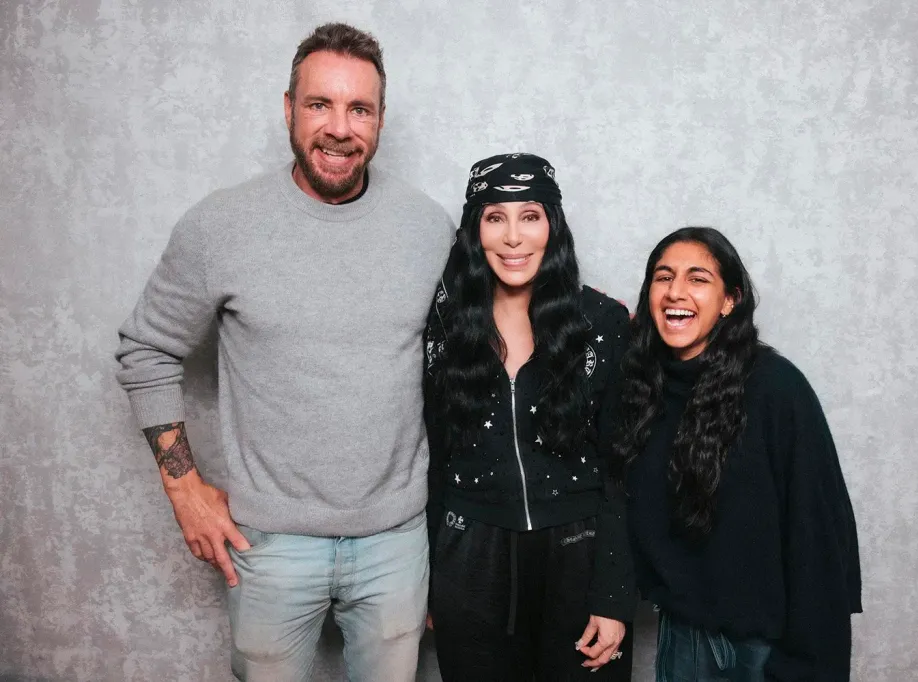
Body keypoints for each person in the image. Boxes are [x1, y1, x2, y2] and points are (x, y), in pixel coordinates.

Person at [115, 23, 454, 682]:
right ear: (287, 108)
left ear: (381, 120)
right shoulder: (222, 225)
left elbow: (470, 369)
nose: (339, 127)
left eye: (359, 108)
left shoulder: (428, 229)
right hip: (268, 546)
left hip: (397, 542)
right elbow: (146, 349)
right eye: (319, 104)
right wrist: (185, 491)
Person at [612, 227, 862, 681]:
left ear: (730, 300)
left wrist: (810, 665)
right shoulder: (644, 388)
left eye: (698, 278)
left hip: (762, 648)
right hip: (682, 637)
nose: (676, 292)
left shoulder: (776, 388)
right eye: (663, 277)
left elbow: (819, 534)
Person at [422, 153, 636, 681]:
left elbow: (624, 467)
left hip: (578, 556)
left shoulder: (602, 322)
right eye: (495, 217)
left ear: (552, 226)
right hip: (469, 559)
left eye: (530, 216)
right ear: (476, 231)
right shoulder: (442, 328)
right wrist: (427, 582)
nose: (513, 237)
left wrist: (614, 596)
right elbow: (427, 457)